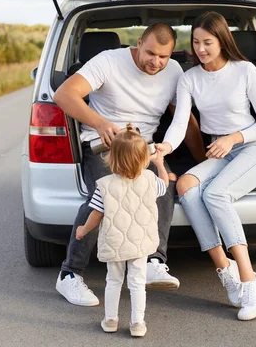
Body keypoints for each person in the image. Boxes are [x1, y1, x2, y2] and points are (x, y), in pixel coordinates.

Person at [54, 23, 205, 307]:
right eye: (150, 53)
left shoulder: (173, 71)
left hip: (142, 149)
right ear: (138, 43)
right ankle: (70, 274)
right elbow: (64, 94)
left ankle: (153, 262)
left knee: (164, 185)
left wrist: (203, 162)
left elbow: (185, 120)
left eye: (163, 56)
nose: (155, 62)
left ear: (172, 53)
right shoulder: (109, 61)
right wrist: (99, 123)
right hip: (104, 146)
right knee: (107, 195)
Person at [156, 11, 256, 321]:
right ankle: (226, 271)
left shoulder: (244, 71)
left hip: (253, 149)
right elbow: (181, 122)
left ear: (222, 41)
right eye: (195, 42)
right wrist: (165, 147)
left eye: (207, 42)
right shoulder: (189, 78)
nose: (200, 49)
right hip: (220, 153)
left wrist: (233, 137)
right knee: (185, 186)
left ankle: (250, 281)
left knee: (215, 195)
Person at [76, 124, 168, 337]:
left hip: (115, 241)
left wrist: (83, 229)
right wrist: (160, 164)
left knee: (113, 280)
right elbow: (165, 184)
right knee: (137, 283)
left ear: (112, 157)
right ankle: (137, 323)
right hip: (141, 242)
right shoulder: (150, 180)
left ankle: (110, 319)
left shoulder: (105, 185)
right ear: (144, 157)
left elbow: (96, 214)